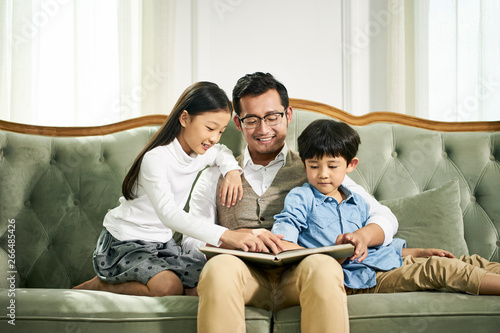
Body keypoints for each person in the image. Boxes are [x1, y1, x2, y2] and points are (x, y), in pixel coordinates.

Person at [186, 72, 399, 333]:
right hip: (242, 278)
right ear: (238, 124)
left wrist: (362, 236)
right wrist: (228, 236)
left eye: (272, 117)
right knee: (218, 268)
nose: (263, 129)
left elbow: (385, 217)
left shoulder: (318, 167)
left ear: (288, 115)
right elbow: (189, 240)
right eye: (252, 120)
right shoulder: (213, 175)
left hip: (300, 278)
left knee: (322, 265)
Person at [272, 119, 500, 300]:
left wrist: (418, 252)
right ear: (304, 164)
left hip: (380, 264)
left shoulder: (357, 202)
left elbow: (376, 251)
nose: (323, 174)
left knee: (470, 261)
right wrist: (330, 255)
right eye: (314, 166)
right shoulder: (301, 198)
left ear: (351, 165)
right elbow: (283, 244)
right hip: (357, 280)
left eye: (332, 166)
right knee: (440, 269)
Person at [74, 81, 263, 297]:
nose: (214, 138)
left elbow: (221, 151)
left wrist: (232, 171)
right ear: (184, 118)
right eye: (210, 128)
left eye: (220, 131)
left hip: (161, 244)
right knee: (169, 287)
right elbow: (169, 215)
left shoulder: (201, 152)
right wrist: (226, 235)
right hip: (125, 242)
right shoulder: (156, 159)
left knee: (202, 285)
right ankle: (97, 285)